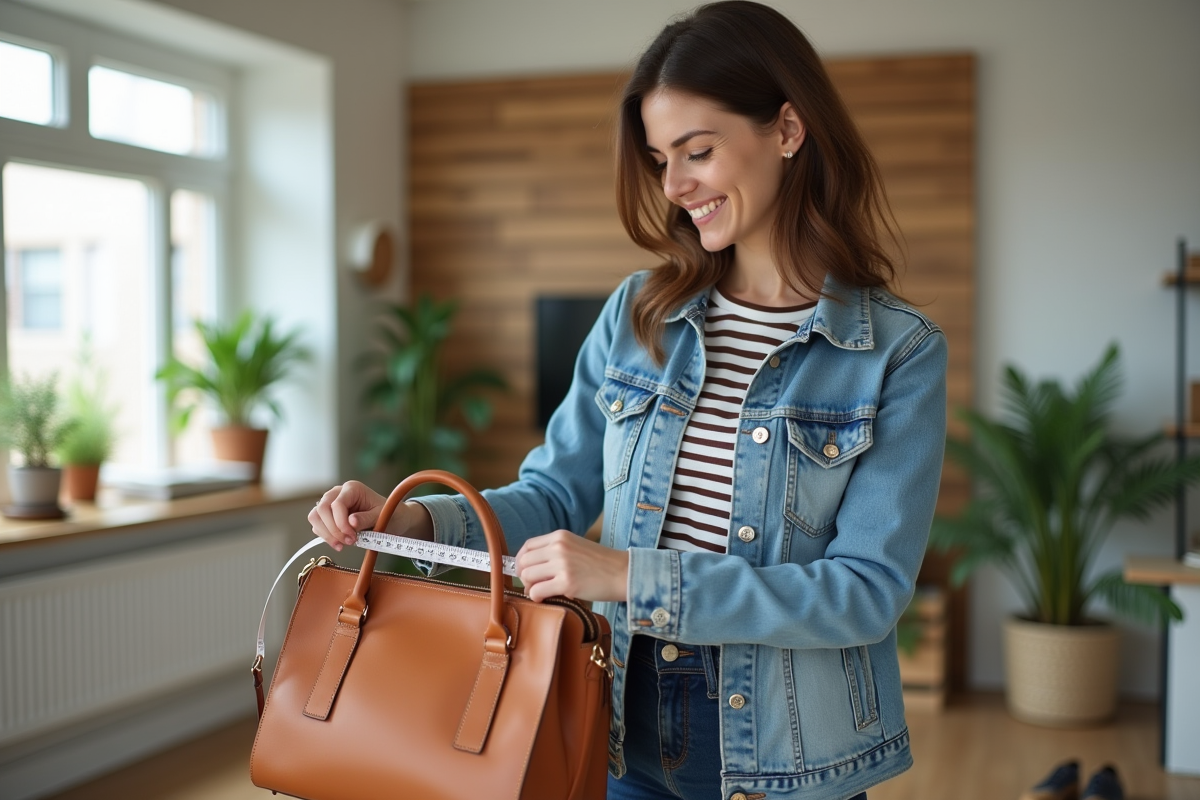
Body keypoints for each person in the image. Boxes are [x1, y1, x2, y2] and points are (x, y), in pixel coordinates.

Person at [310, 3, 947, 799]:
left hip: (792, 750)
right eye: (659, 159)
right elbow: (553, 493)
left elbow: (865, 593)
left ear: (787, 129)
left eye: (699, 151)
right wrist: (412, 521)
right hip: (620, 719)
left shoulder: (898, 352)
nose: (675, 187)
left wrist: (633, 576)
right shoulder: (637, 313)